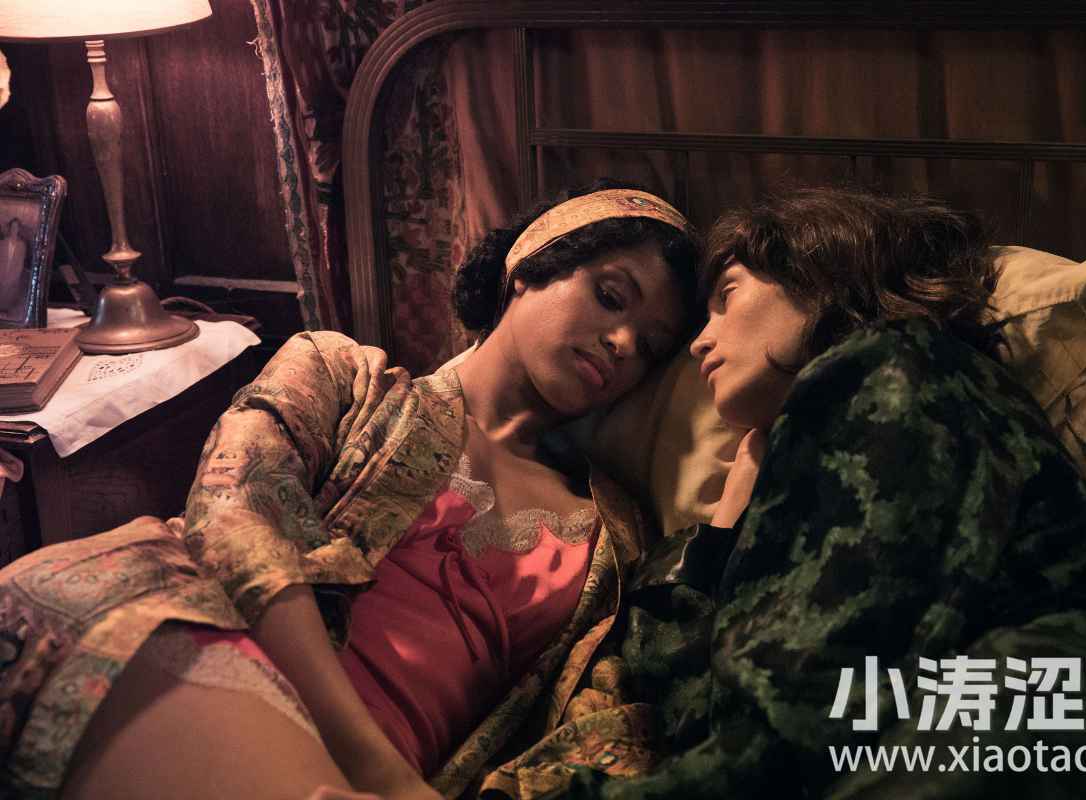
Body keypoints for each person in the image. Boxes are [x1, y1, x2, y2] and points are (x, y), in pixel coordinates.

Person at [484, 187, 1086, 798]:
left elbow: (797, 707)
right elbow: (694, 708)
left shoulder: (903, 367)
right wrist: (721, 529)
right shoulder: (795, 466)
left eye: (727, 298)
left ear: (817, 275)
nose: (701, 343)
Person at [0, 182, 701, 800]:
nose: (621, 341)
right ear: (529, 265)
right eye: (611, 297)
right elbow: (234, 513)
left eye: (648, 347)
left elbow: (600, 719)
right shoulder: (343, 378)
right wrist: (376, 768)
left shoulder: (612, 536)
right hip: (211, 653)